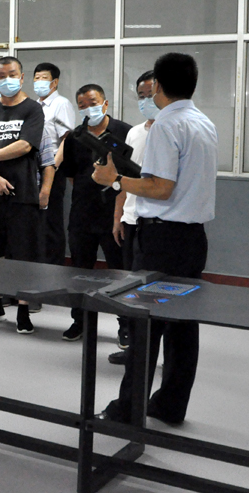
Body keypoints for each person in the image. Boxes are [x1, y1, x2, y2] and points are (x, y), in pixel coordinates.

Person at [95, 53, 217, 426]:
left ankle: (127, 410)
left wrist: (115, 180)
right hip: (192, 238)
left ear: (159, 85)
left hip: (162, 239)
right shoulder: (203, 122)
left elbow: (160, 188)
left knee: (145, 323)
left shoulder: (166, 124)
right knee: (183, 326)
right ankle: (170, 404)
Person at [0, 57, 45, 334]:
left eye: (11, 74)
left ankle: (23, 309)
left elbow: (25, 145)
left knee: (22, 253)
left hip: (22, 192)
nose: (6, 80)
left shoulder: (33, 109)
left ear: (22, 77)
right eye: (1, 76)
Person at [58, 84, 131, 341]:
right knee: (80, 272)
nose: (89, 108)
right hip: (82, 213)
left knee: (120, 271)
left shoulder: (124, 131)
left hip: (114, 214)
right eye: (82, 105)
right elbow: (71, 175)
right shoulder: (75, 136)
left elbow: (131, 173)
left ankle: (126, 326)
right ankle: (81, 321)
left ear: (105, 103)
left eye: (93, 103)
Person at [109, 70, 156, 365]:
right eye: (141, 96)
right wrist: (118, 217)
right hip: (130, 218)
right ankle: (133, 345)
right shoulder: (134, 133)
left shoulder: (170, 130)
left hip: (156, 222)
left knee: (151, 290)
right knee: (129, 285)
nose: (146, 101)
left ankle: (150, 350)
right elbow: (123, 180)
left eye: (151, 95)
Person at [33, 63, 75, 265]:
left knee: (51, 221)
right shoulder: (34, 106)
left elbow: (67, 139)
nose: (39, 82)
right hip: (34, 170)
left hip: (53, 170)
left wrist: (53, 167)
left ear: (54, 82)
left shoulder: (61, 104)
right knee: (36, 221)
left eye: (44, 78)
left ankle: (54, 265)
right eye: (36, 78)